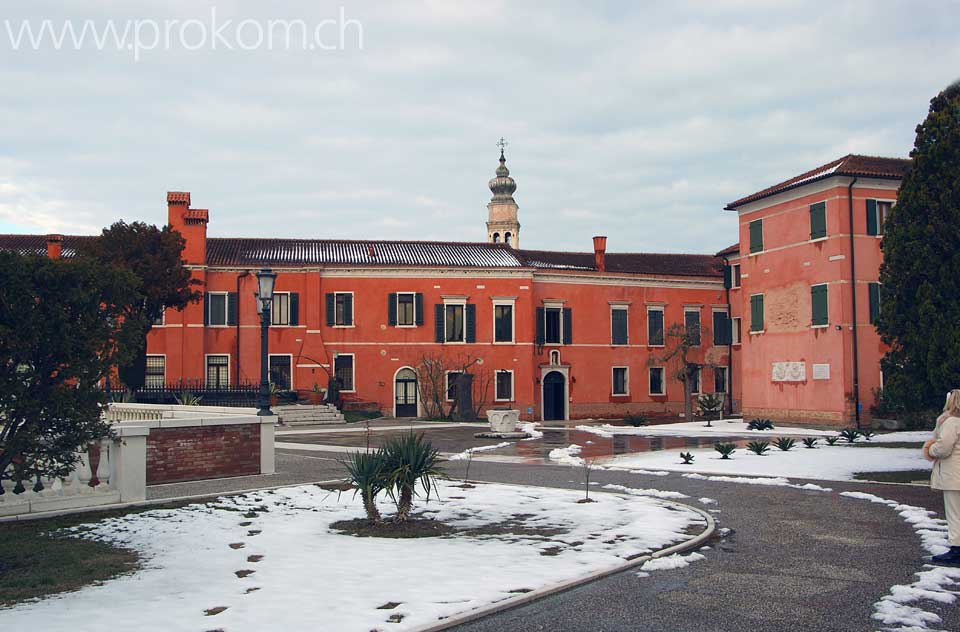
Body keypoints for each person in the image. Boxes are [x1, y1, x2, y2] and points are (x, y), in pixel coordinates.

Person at [923, 389, 960, 566]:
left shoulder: (952, 422)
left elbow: (944, 448)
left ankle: (957, 550)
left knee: (955, 514)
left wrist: (930, 449)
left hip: (954, 474)